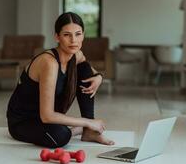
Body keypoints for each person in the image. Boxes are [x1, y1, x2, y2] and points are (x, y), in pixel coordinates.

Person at [7, 12, 114, 148]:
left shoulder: (76, 55)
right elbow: (47, 116)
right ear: (57, 37)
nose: (73, 40)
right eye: (66, 35)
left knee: (84, 68)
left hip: (47, 118)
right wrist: (86, 122)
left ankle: (89, 132)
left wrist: (99, 77)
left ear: (83, 35)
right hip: (24, 121)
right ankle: (81, 129)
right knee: (60, 136)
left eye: (78, 34)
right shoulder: (49, 63)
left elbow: (89, 71)